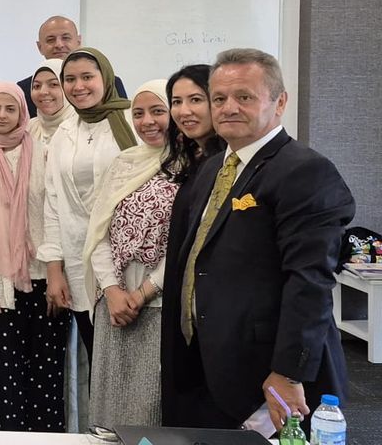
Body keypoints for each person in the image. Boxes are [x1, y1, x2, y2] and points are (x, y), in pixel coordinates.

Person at [161, 49, 353, 433]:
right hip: (205, 364)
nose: (229, 107)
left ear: (279, 103)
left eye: (244, 97)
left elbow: (310, 280)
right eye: (219, 98)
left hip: (266, 377)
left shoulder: (305, 172)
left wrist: (288, 372)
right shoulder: (212, 169)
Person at [0, 81, 69, 432]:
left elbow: (56, 215)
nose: (1, 116)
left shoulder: (45, 154)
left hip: (45, 277)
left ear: (22, 112)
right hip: (2, 282)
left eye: (9, 108)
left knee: (46, 370)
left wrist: (57, 272)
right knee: (5, 372)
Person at [83, 80, 175, 427]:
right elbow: (98, 229)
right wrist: (112, 290)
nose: (147, 121)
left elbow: (183, 244)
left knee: (149, 407)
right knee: (110, 405)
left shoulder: (190, 167)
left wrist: (142, 294)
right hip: (114, 305)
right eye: (138, 113)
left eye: (158, 111)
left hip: (159, 305)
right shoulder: (124, 162)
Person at [41, 47, 135, 358]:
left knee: (134, 359)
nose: (78, 86)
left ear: (105, 78)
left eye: (87, 77)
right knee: (97, 354)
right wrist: (54, 271)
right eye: (70, 79)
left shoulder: (132, 121)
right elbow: (53, 204)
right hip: (80, 259)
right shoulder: (64, 133)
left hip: (130, 260)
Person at [157, 64, 224, 425]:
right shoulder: (194, 158)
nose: (184, 111)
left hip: (212, 308)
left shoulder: (227, 164)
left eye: (196, 100)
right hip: (184, 298)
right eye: (176, 101)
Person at [17, 17, 127, 117]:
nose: (59, 45)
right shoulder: (24, 89)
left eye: (66, 38)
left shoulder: (109, 82)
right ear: (40, 47)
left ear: (78, 41)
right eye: (51, 40)